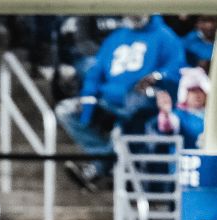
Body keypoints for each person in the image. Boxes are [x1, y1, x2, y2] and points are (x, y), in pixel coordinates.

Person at [55, 15, 185, 192]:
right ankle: (108, 159)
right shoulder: (115, 37)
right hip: (108, 100)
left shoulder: (165, 36)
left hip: (143, 100)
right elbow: (95, 72)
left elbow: (176, 67)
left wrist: (157, 76)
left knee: (129, 113)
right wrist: (88, 100)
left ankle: (98, 167)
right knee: (66, 110)